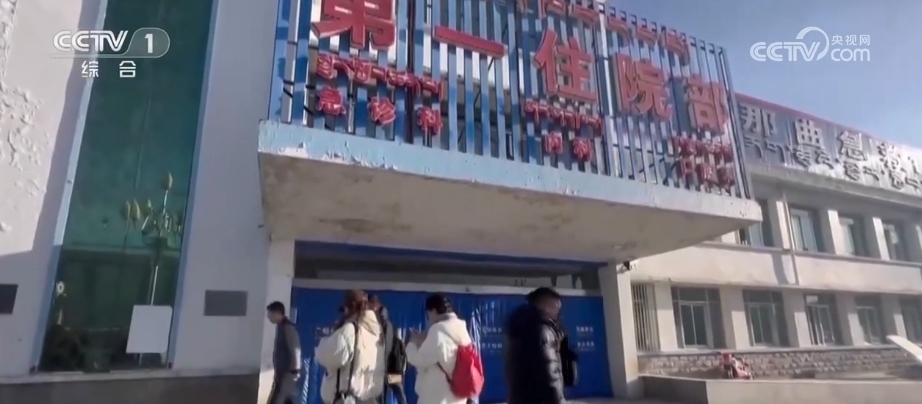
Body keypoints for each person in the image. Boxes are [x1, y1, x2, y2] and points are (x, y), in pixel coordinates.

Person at [315, 290, 386, 404]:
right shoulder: (376, 333)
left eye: (345, 310)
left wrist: (324, 341)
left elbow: (329, 355)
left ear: (349, 308)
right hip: (370, 399)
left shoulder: (350, 330)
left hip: (347, 398)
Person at [406, 294, 475, 404]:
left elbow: (420, 360)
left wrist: (412, 344)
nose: (429, 319)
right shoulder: (461, 330)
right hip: (457, 395)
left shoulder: (438, 331)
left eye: (428, 314)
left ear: (433, 311)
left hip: (437, 396)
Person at [504, 287, 565, 404]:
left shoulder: (520, 327)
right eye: (556, 307)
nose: (558, 312)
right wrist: (558, 400)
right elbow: (549, 371)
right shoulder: (543, 330)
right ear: (544, 306)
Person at [369, 295, 408, 404]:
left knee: (382, 396)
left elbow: (386, 348)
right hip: (395, 367)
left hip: (386, 368)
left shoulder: (380, 323)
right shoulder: (387, 322)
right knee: (398, 393)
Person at [266, 301, 301, 404]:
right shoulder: (281, 327)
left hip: (288, 375)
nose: (269, 317)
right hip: (282, 374)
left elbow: (295, 349)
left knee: (280, 399)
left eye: (270, 314)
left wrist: (294, 372)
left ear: (277, 313)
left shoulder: (288, 328)